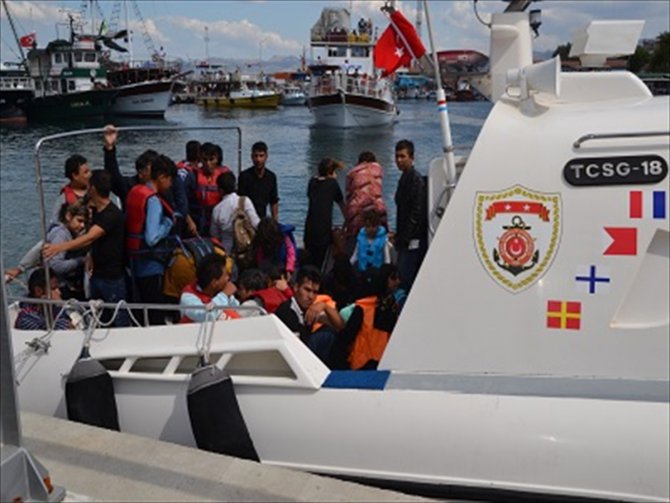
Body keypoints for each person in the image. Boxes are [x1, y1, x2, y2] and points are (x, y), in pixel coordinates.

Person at [43, 170, 129, 326]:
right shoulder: (96, 211)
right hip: (96, 274)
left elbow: (90, 237)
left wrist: (59, 247)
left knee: (118, 318)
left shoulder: (111, 214)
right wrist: (89, 255)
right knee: (96, 317)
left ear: (93, 188)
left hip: (112, 276)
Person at [125, 155, 177, 324]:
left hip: (134, 263)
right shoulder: (153, 201)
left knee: (141, 311)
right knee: (155, 313)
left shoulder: (135, 192)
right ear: (161, 177)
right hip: (151, 266)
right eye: (170, 180)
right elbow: (152, 237)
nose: (170, 185)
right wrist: (168, 224)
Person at [275, 265, 344, 366]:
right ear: (296, 288)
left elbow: (340, 326)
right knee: (327, 335)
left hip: (304, 354)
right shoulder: (287, 311)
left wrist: (325, 306)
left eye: (315, 292)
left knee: (331, 332)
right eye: (307, 290)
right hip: (292, 359)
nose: (311, 296)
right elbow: (295, 349)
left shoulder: (310, 309)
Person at [393, 139, 427, 293]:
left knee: (406, 277)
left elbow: (416, 212)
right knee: (403, 275)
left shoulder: (415, 180)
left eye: (402, 156)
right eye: (397, 157)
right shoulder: (405, 178)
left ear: (411, 157)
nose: (399, 160)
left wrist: (405, 238)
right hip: (404, 237)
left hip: (412, 240)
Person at [303, 158, 346, 271]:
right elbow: (342, 205)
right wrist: (348, 222)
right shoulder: (332, 184)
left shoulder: (312, 182)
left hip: (309, 230)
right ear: (331, 172)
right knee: (321, 263)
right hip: (323, 232)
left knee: (310, 262)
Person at [45, 200, 89, 300]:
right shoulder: (60, 235)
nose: (82, 225)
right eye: (79, 221)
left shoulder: (73, 233)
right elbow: (57, 265)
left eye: (84, 222)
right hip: (62, 286)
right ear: (69, 216)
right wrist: (81, 260)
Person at [210, 171, 260, 255]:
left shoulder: (217, 209)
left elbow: (214, 235)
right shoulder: (244, 201)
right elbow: (256, 223)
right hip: (246, 249)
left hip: (226, 251)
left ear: (221, 190)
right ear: (234, 186)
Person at [179, 254, 239, 323]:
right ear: (214, 282)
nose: (228, 278)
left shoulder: (219, 290)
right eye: (225, 275)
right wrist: (224, 295)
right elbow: (206, 315)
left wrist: (228, 296)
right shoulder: (188, 298)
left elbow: (237, 310)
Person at [344, 150, 387, 241]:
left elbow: (348, 197)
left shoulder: (351, 174)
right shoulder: (378, 169)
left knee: (355, 235)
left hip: (358, 211)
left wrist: (347, 222)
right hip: (378, 208)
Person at [189, 142, 230, 236]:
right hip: (199, 218)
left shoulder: (224, 175)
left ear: (217, 159)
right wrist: (189, 221)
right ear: (200, 159)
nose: (208, 163)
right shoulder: (193, 176)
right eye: (205, 160)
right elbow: (185, 201)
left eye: (211, 159)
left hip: (220, 218)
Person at [238, 141, 279, 220]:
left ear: (266, 157)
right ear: (252, 157)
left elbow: (274, 202)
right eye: (256, 156)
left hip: (262, 218)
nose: (258, 159)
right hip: (247, 219)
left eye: (261, 156)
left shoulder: (271, 177)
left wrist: (275, 222)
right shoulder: (244, 176)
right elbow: (240, 201)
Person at [50, 154, 91, 224]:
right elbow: (55, 223)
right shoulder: (63, 200)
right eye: (86, 172)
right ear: (75, 176)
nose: (90, 174)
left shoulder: (95, 191)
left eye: (89, 171)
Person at [350, 209, 392, 274]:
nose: (370, 229)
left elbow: (387, 259)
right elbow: (355, 256)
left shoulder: (383, 240)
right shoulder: (360, 238)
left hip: (377, 273)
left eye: (373, 226)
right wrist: (349, 265)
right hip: (362, 273)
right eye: (368, 226)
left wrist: (386, 273)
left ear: (378, 226)